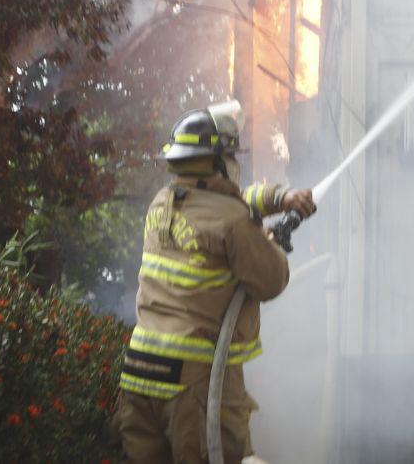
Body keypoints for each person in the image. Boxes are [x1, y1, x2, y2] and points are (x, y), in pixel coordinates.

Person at [111, 100, 316, 463]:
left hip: (139, 376)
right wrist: (267, 243)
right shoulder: (233, 222)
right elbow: (271, 280)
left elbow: (228, 202)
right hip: (197, 385)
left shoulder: (163, 203)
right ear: (219, 161)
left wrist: (278, 198)